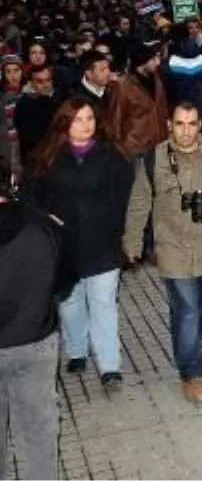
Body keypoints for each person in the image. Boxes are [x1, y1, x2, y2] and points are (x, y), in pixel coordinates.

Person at [123, 102, 202, 403]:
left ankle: (195, 339)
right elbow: (140, 203)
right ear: (169, 125)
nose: (186, 131)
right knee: (187, 311)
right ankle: (192, 373)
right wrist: (132, 244)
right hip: (174, 250)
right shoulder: (155, 159)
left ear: (200, 125)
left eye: (192, 124)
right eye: (180, 124)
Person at [24, 98, 134, 388]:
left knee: (103, 304)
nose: (86, 125)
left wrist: (128, 235)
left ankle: (110, 366)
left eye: (89, 118)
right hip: (64, 245)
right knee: (71, 302)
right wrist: (46, 220)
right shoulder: (46, 157)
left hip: (104, 244)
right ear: (65, 123)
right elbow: (30, 199)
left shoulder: (113, 156)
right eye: (78, 119)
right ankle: (76, 349)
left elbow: (128, 197)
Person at [0, 155, 68, 481]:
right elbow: (66, 279)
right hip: (35, 342)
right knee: (40, 433)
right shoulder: (43, 225)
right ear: (11, 182)